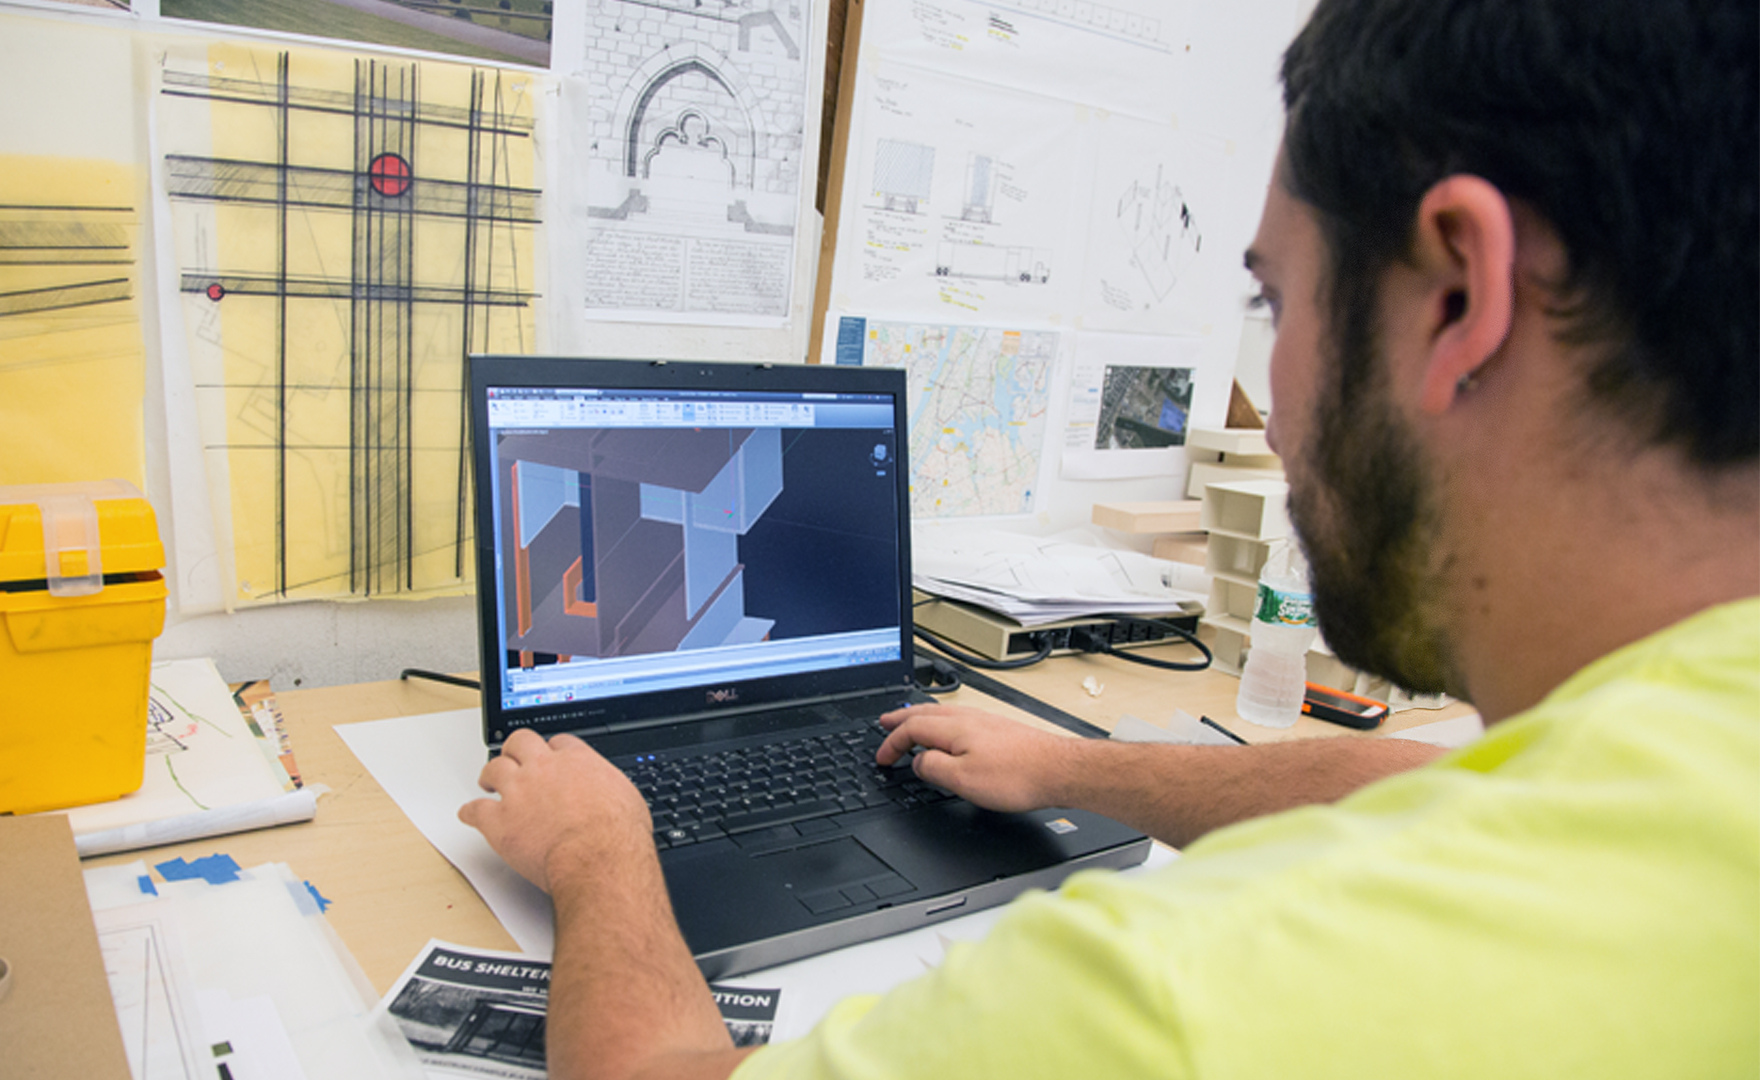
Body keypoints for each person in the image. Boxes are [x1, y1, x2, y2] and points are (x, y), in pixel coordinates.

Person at [459, 0, 1759, 1075]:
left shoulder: (1184, 1001)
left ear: (1460, 293)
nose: (1274, 385)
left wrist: (599, 854)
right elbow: (1401, 788)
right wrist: (1078, 768)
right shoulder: (1678, 778)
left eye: (1275, 296)